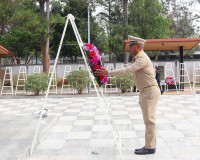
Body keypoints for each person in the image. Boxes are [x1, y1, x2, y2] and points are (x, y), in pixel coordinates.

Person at [95, 35, 161, 155]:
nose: (129, 48)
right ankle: (149, 145)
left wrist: (108, 72)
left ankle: (150, 147)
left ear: (138, 47)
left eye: (131, 46)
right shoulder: (137, 58)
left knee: (150, 120)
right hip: (145, 92)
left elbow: (127, 70)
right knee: (148, 120)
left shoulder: (142, 59)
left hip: (149, 92)